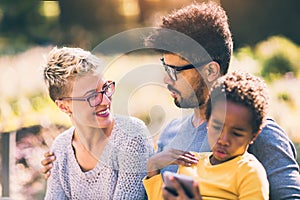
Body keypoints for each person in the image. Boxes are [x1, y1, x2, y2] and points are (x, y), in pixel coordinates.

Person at [42, 2, 300, 199]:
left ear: (210, 71)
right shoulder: (170, 133)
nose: (166, 80)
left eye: (175, 71)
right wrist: (67, 159)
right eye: (165, 68)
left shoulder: (261, 134)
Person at [42, 46, 153, 199]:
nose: (106, 101)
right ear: (63, 106)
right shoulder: (60, 148)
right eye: (92, 96)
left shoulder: (131, 135)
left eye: (105, 88)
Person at [144, 71, 270, 199]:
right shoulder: (191, 163)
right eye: (217, 127)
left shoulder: (249, 172)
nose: (223, 140)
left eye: (236, 133)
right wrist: (153, 168)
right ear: (207, 122)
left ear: (254, 135)